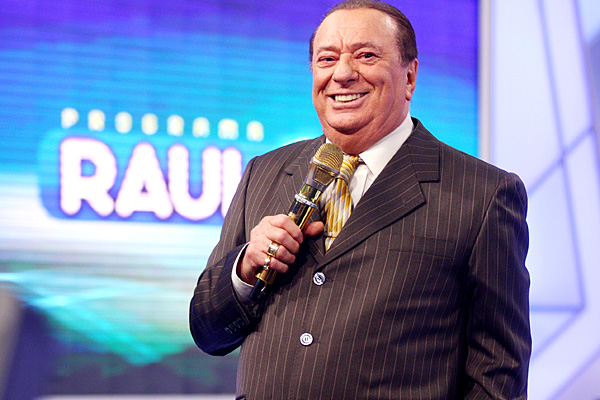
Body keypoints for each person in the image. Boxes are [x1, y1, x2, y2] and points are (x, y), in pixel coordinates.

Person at [190, 0, 531, 398]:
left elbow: (497, 375)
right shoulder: (264, 173)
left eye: (366, 56)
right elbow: (208, 332)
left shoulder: (483, 194)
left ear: (410, 76)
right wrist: (246, 268)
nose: (342, 73)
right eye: (326, 59)